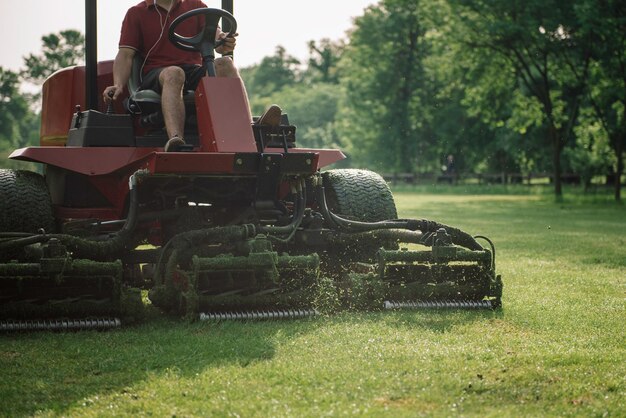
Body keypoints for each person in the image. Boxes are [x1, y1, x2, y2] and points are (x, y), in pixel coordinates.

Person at [103, 0, 281, 151]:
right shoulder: (137, 13)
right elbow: (125, 55)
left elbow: (216, 39)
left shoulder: (195, 5)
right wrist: (118, 84)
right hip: (156, 73)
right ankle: (175, 140)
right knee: (174, 73)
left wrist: (224, 40)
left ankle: (249, 130)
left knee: (224, 63)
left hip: (192, 70)